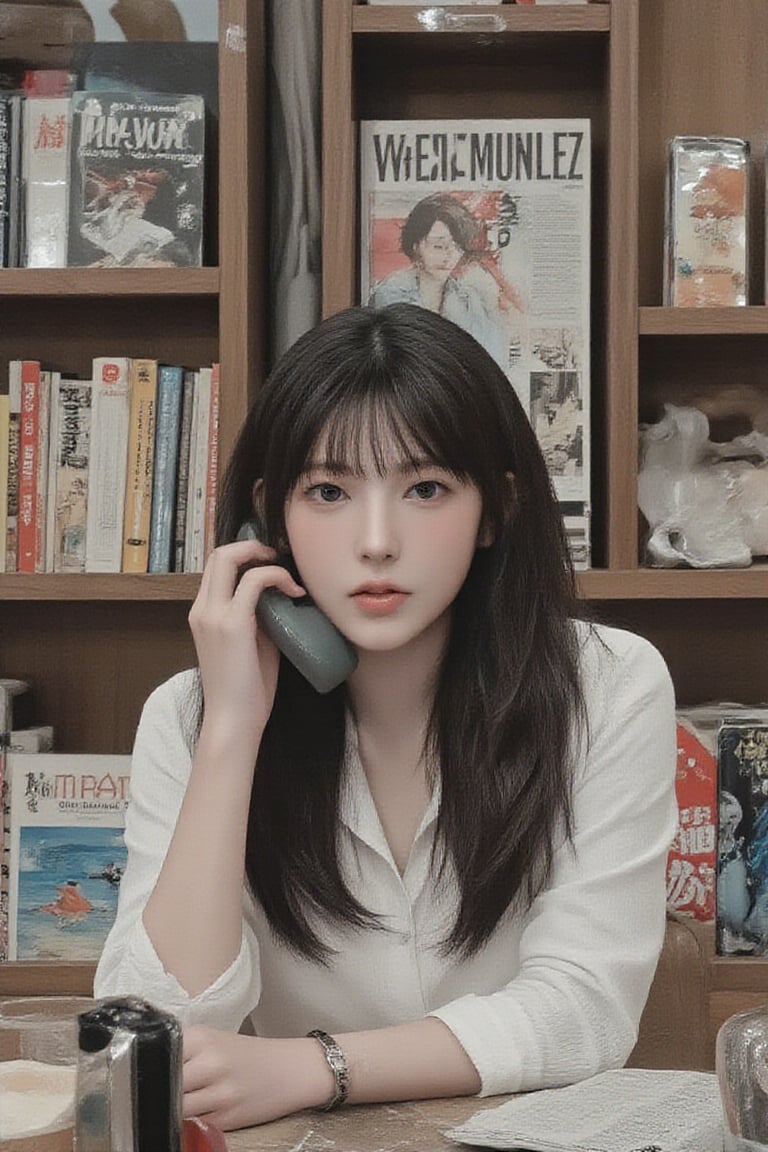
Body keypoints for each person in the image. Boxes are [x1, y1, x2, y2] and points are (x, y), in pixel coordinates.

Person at [95, 303, 677, 1132]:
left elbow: (584, 1008)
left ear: (496, 510)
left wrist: (316, 1066)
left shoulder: (611, 686)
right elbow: (159, 1036)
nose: (376, 541)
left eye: (426, 488)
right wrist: (231, 731)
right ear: (270, 518)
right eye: (329, 491)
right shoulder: (189, 716)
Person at [368, 193, 523, 372]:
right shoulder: (389, 295)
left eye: (456, 247)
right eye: (438, 246)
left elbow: (492, 363)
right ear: (416, 246)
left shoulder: (471, 300)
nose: (448, 256)